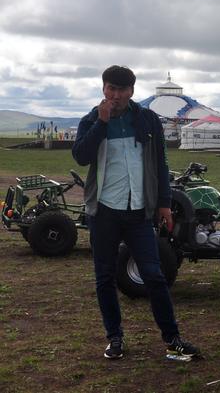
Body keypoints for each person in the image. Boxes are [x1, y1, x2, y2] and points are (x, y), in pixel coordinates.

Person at [72, 65, 200, 360]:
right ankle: (114, 338)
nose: (115, 95)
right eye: (110, 89)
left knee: (155, 276)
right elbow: (81, 156)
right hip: (104, 211)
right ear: (103, 89)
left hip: (139, 212)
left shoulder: (147, 120)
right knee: (104, 277)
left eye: (122, 90)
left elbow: (160, 163)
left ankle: (172, 339)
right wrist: (101, 125)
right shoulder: (91, 119)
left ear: (132, 91)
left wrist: (164, 203)